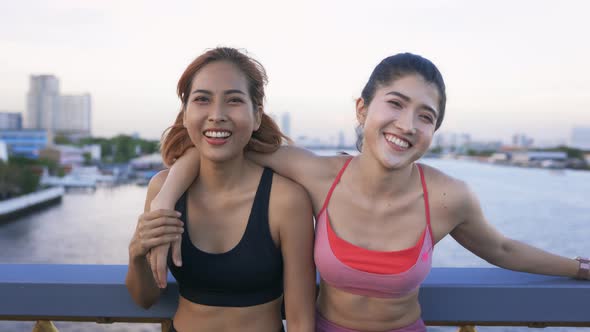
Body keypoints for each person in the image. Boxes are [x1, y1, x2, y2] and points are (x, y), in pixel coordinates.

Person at [149, 52, 589, 332]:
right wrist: (166, 200)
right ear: (363, 109)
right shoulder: (319, 174)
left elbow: (504, 250)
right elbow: (223, 146)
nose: (406, 125)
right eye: (395, 104)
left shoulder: (448, 197)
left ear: (434, 130)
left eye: (425, 116)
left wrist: (578, 269)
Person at [125, 47, 316, 332]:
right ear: (186, 113)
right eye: (202, 99)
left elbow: (301, 320)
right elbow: (145, 298)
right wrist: (137, 251)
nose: (217, 115)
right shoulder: (163, 191)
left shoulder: (286, 200)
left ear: (257, 116)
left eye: (234, 101)